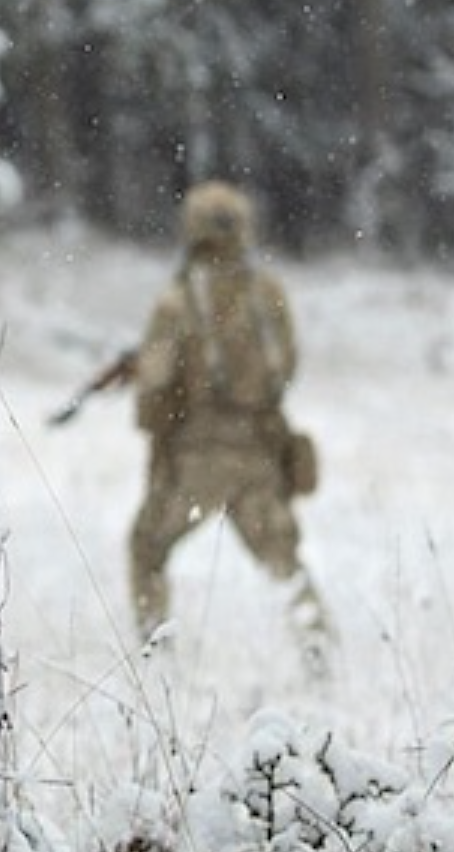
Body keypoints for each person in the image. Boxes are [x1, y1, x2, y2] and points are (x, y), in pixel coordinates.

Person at [127, 180, 328, 661]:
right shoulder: (267, 294)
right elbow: (288, 365)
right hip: (260, 451)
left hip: (197, 458)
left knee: (147, 549)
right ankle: (319, 650)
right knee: (284, 561)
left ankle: (157, 659)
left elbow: (154, 383)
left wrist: (158, 423)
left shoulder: (178, 301)